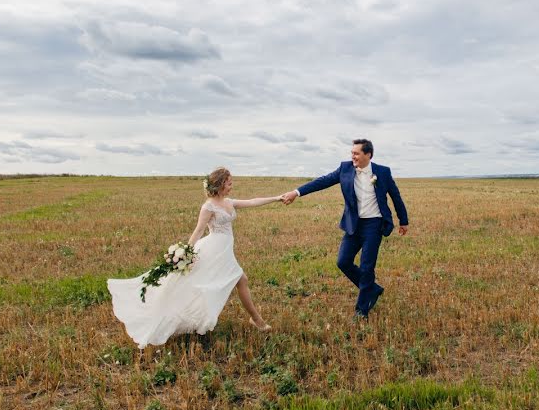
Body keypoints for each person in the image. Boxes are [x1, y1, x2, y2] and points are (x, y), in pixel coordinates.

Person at [108, 167, 278, 349]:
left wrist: (276, 198)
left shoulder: (229, 202)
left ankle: (255, 320)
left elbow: (252, 202)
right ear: (220, 184)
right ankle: (257, 320)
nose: (231, 185)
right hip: (212, 250)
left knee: (238, 280)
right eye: (229, 182)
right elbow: (198, 231)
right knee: (223, 281)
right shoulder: (208, 206)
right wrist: (185, 254)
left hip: (224, 251)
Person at [281, 139, 408, 319]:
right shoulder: (345, 168)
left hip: (374, 224)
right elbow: (322, 182)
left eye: (356, 153)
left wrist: (404, 220)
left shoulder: (382, 172)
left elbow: (395, 196)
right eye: (352, 153)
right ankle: (371, 288)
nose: (352, 156)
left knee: (366, 267)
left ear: (368, 155)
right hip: (354, 224)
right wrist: (296, 192)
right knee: (343, 261)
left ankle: (361, 310)